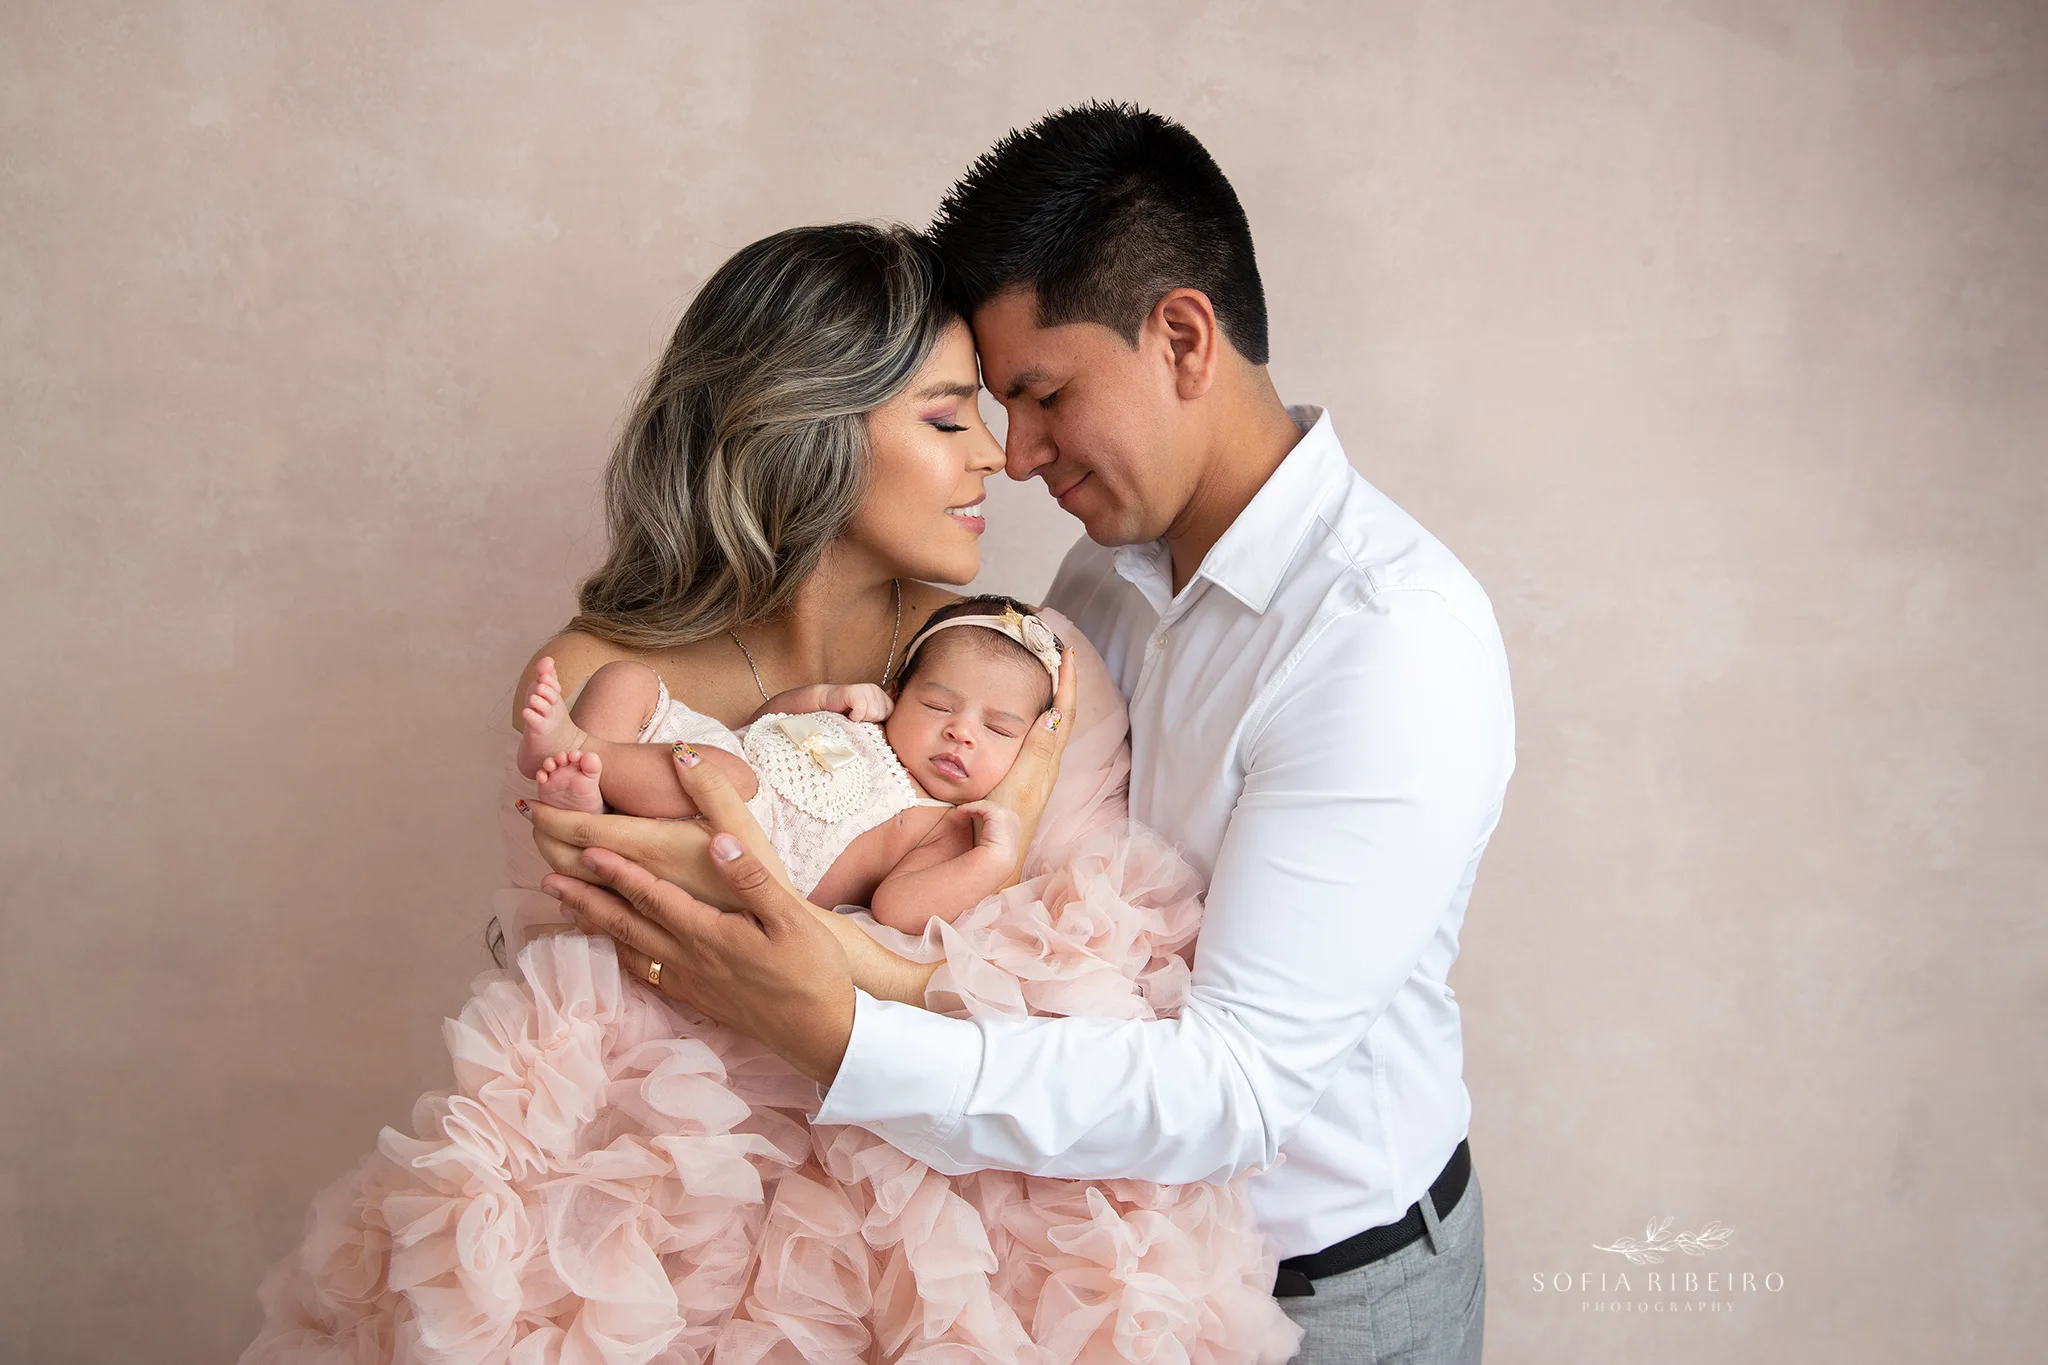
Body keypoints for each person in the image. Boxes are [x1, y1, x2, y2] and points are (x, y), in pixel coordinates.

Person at [549, 104, 1516, 1364]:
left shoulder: (1387, 640)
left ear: (1180, 336)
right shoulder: (1099, 579)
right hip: (1094, 1267)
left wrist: (838, 1031)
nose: (1015, 456)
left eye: (1042, 395)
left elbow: (1232, 1092)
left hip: (1321, 1285)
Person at [241, 221, 1304, 1363]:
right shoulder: (600, 679)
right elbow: (612, 937)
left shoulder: (1012, 672)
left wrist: (829, 951)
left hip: (960, 1225)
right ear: (808, 432)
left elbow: (1088, 990)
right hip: (661, 1219)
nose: (998, 456)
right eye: (947, 418)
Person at [515, 594, 1070, 932]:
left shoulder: (944, 823)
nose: (960, 731)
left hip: (745, 842)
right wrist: (822, 697)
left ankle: (582, 753)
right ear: (897, 690)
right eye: (937, 705)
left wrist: (991, 862)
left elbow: (897, 909)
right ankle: (587, 782)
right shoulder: (864, 720)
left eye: (997, 729)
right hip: (721, 751)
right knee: (626, 678)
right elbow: (765, 723)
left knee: (718, 778)